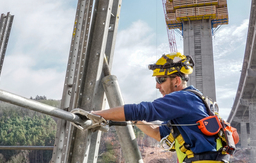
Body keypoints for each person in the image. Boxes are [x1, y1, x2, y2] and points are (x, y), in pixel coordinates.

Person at [92, 52, 229, 163]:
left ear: (177, 81)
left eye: (160, 80)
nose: (157, 86)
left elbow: (142, 110)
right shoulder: (187, 104)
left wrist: (93, 114)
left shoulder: (184, 99)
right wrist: (133, 119)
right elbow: (159, 133)